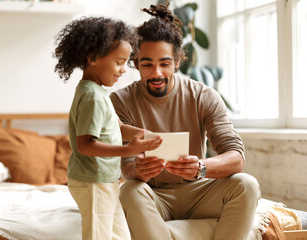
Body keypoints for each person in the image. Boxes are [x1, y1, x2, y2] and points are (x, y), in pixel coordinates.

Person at [110, 2, 261, 240]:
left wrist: (201, 167)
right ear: (135, 62)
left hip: (199, 192)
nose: (157, 73)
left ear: (178, 61)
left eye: (165, 63)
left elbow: (236, 157)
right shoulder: (120, 101)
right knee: (129, 190)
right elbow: (127, 166)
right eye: (147, 64)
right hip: (154, 195)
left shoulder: (203, 95)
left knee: (247, 184)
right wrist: (138, 170)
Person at [54, 17, 162, 240]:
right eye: (120, 62)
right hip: (92, 181)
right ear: (93, 58)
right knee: (99, 235)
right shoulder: (91, 96)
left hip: (105, 180)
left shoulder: (98, 92)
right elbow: (85, 145)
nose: (124, 70)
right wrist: (128, 150)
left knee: (119, 235)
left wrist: (145, 135)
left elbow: (118, 127)